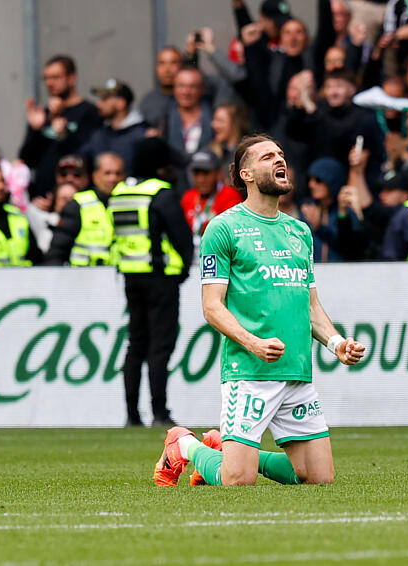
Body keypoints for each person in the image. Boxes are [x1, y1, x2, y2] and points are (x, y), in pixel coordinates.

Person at [153, 133, 366, 487]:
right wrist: (252, 343)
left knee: (319, 478)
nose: (279, 160)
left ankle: (226, 447)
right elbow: (211, 307)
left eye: (281, 154)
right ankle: (185, 445)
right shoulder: (223, 229)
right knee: (238, 481)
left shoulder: (299, 231)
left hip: (296, 372)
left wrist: (335, 343)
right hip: (249, 371)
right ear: (246, 174)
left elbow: (310, 305)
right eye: (267, 157)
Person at [108, 138, 195, 427]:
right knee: (160, 346)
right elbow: (182, 238)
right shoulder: (161, 193)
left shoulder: (120, 192)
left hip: (131, 276)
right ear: (160, 165)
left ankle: (132, 415)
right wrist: (182, 268)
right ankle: (160, 412)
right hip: (160, 277)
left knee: (136, 344)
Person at [18, 55, 101, 199]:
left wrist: (63, 134)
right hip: (43, 198)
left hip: (74, 198)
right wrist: (35, 130)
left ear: (71, 78)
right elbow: (26, 160)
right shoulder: (43, 114)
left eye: (56, 77)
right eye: (46, 78)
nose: (49, 83)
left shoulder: (89, 112)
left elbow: (87, 156)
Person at [45, 153, 123, 265]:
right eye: (107, 173)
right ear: (95, 176)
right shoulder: (79, 205)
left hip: (122, 277)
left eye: (118, 173)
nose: (113, 178)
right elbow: (57, 251)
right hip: (84, 277)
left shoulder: (130, 203)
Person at [180, 149, 244, 250]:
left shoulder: (230, 196)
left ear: (218, 173)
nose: (201, 179)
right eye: (197, 173)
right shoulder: (188, 197)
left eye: (206, 173)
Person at [79, 79, 148, 170]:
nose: (98, 105)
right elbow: (79, 158)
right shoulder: (99, 134)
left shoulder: (142, 135)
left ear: (121, 103)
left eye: (105, 99)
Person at [139, 47, 183, 128]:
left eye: (173, 63)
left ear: (181, 66)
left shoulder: (190, 98)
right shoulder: (149, 101)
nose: (167, 69)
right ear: (156, 68)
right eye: (162, 63)